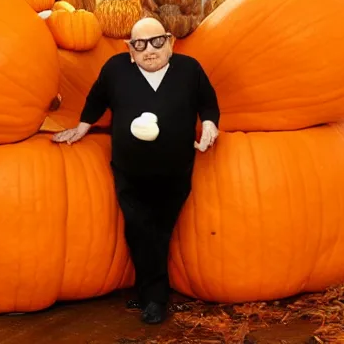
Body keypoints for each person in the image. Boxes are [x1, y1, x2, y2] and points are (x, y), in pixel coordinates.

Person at [52, 17, 220, 325]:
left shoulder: (189, 70)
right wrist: (81, 127)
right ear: (131, 50)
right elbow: (96, 99)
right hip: (130, 172)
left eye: (157, 42)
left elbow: (208, 103)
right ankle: (155, 298)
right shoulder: (116, 69)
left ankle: (149, 292)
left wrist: (210, 125)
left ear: (170, 42)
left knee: (159, 230)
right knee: (139, 228)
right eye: (140, 45)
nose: (150, 51)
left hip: (175, 171)